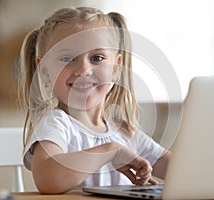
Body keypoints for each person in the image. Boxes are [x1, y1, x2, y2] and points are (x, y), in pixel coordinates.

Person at [19, 6, 171, 194]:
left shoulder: (125, 133)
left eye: (97, 58)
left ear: (116, 69)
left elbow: (180, 170)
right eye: (67, 58)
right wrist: (110, 151)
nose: (83, 70)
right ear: (44, 71)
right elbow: (48, 180)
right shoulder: (56, 124)